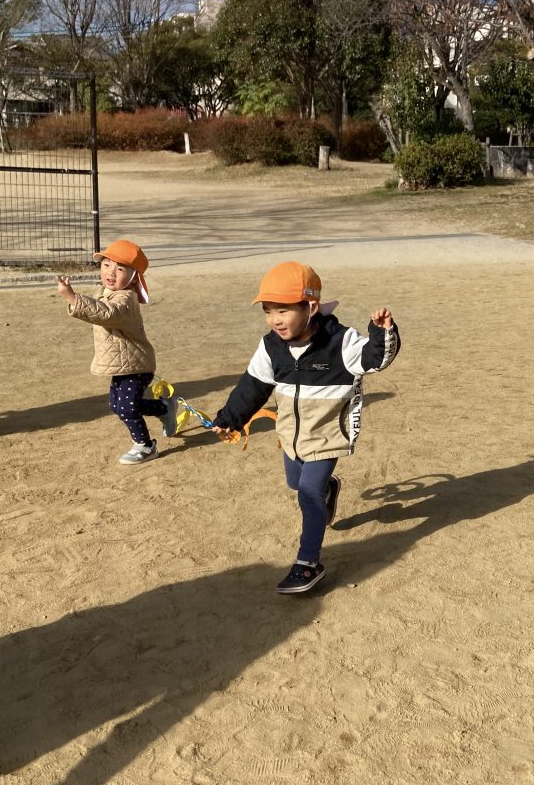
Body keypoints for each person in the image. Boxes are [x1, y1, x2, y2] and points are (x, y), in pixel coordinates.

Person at [213, 261, 400, 594]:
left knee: (308, 493)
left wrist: (382, 333)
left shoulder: (340, 342)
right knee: (295, 482)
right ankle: (328, 488)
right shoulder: (271, 346)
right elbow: (253, 385)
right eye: (268, 312)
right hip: (290, 435)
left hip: (326, 434)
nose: (274, 320)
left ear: (311, 307)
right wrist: (230, 417)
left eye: (283, 311)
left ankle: (308, 563)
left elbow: (374, 359)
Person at [57, 238, 177, 464]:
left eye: (120, 269)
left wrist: (72, 297)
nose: (111, 272)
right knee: (118, 406)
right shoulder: (105, 291)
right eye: (106, 265)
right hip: (123, 364)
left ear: (134, 277)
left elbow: (107, 314)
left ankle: (145, 446)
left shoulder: (126, 298)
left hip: (136, 365)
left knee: (126, 407)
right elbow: (99, 310)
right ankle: (163, 407)